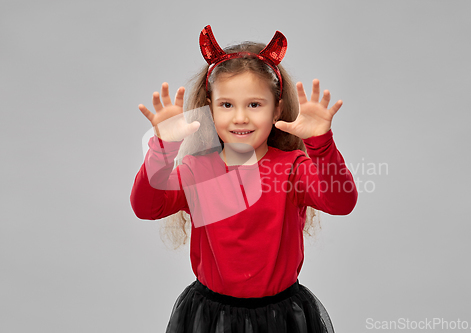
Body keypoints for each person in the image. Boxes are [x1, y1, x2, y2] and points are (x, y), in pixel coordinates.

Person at [130, 25, 358, 333]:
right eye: (227, 105)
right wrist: (163, 147)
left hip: (282, 319)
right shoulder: (197, 171)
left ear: (277, 107)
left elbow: (341, 201)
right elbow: (146, 206)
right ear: (209, 107)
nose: (240, 117)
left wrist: (322, 143)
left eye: (254, 104)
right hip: (211, 319)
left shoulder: (292, 167)